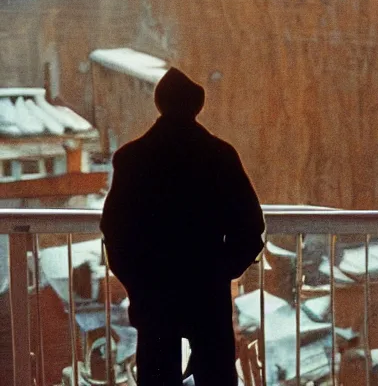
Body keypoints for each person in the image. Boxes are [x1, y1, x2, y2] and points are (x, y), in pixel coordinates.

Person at [100, 67, 265, 386]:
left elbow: (115, 231)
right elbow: (250, 227)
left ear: (160, 103)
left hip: (154, 293)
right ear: (196, 106)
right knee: (215, 375)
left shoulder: (132, 158)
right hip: (207, 292)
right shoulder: (220, 156)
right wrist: (222, 269)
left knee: (157, 374)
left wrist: (137, 280)